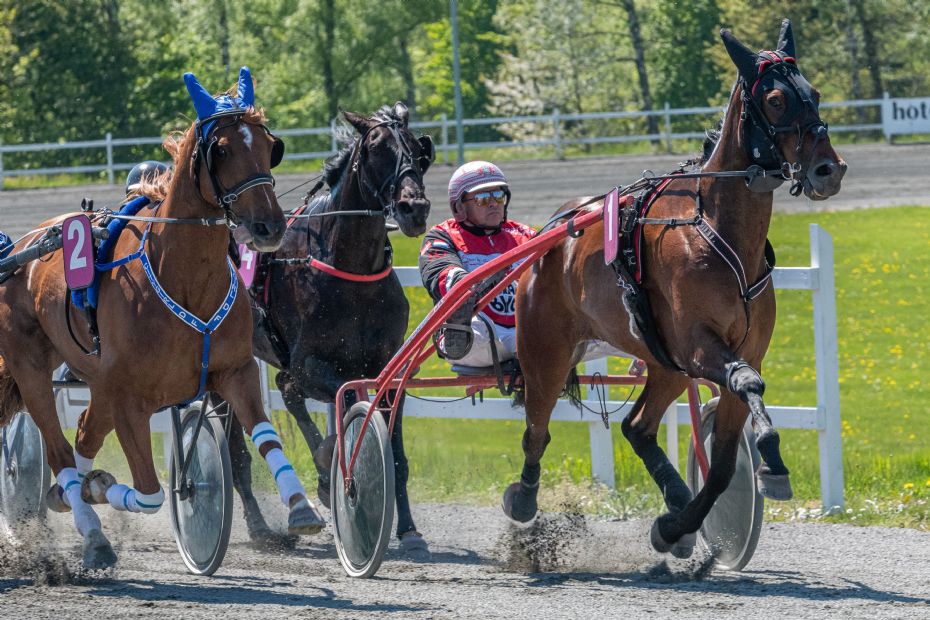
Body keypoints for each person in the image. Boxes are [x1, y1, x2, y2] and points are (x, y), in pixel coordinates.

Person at [419, 161, 535, 367]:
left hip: (526, 329)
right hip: (478, 331)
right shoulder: (443, 236)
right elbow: (441, 275)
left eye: (498, 196)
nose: (493, 203)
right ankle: (459, 331)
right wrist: (476, 284)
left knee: (603, 328)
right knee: (471, 328)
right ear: (459, 207)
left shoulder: (525, 234)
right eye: (482, 198)